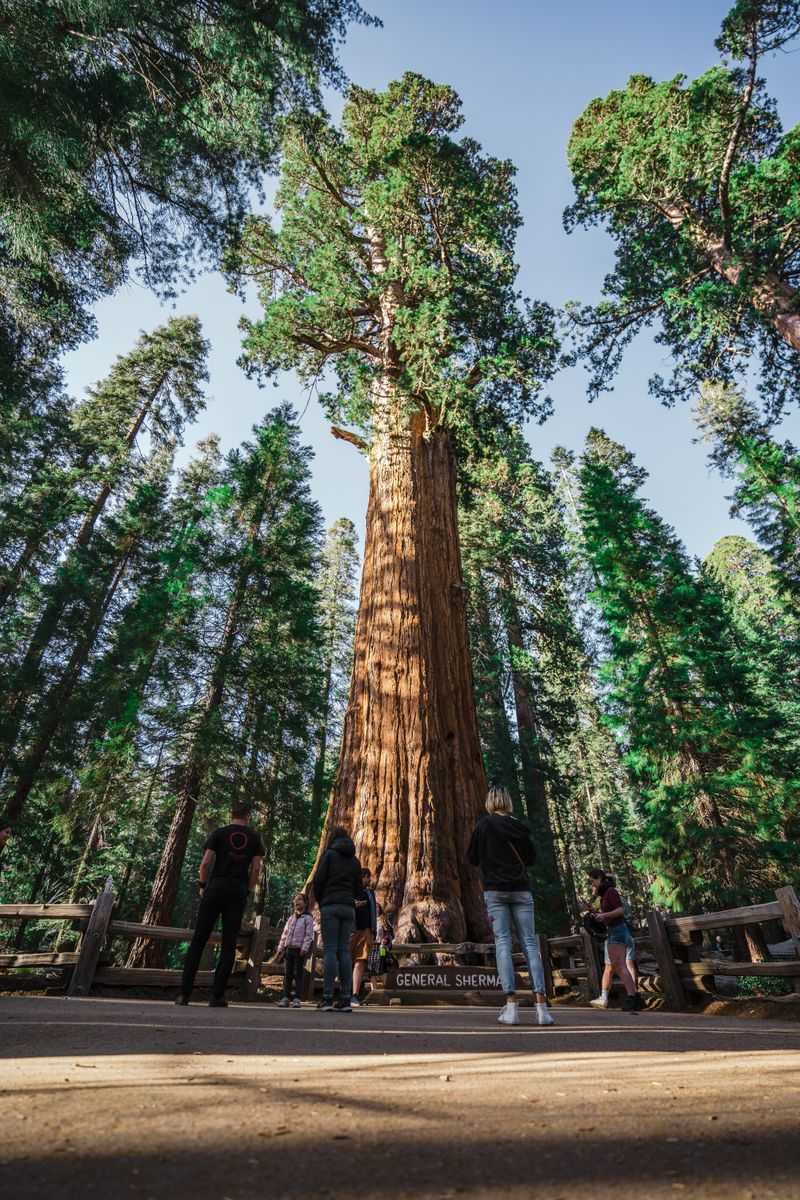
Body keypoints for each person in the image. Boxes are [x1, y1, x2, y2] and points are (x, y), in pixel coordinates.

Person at [466, 785, 554, 1027]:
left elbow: (472, 858)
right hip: (521, 890)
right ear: (508, 802)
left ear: (490, 802)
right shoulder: (518, 827)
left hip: (495, 891)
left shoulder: (483, 826)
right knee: (529, 943)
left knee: (503, 943)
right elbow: (531, 859)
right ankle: (541, 1007)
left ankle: (511, 1005)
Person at [175, 802, 264, 1008]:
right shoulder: (254, 838)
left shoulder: (219, 833)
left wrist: (203, 884)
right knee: (229, 942)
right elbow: (257, 867)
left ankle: (184, 994)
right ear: (248, 817)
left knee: (199, 939)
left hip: (215, 888)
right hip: (238, 891)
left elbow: (206, 862)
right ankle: (217, 996)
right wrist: (249, 889)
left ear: (231, 813)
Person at [312, 825, 363, 1013]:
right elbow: (359, 889)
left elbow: (318, 880)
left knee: (330, 950)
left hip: (330, 906)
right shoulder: (355, 861)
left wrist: (321, 899)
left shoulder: (329, 855)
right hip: (348, 908)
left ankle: (326, 998)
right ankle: (345, 999)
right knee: (344, 951)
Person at [583, 868, 643, 1012]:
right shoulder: (604, 895)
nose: (593, 886)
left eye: (593, 882)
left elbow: (620, 910)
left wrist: (604, 916)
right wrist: (595, 913)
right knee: (617, 965)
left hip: (617, 930)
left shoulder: (610, 892)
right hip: (614, 930)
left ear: (599, 879)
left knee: (621, 966)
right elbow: (608, 915)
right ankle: (630, 998)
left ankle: (632, 998)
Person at [276, 893, 315, 1008]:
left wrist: (304, 948)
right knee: (287, 974)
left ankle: (297, 998)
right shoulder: (291, 918)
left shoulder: (308, 918)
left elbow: (309, 935)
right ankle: (285, 997)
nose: (296, 902)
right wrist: (280, 947)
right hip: (289, 949)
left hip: (299, 950)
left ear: (306, 903)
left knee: (298, 974)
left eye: (299, 900)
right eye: (295, 900)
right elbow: (285, 934)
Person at [351, 867, 380, 1008]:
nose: (369, 880)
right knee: (344, 960)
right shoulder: (350, 891)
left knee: (360, 961)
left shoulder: (370, 893)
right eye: (367, 877)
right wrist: (353, 904)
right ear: (361, 877)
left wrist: (373, 931)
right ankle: (338, 993)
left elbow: (373, 913)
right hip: (350, 929)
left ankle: (354, 995)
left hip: (366, 931)